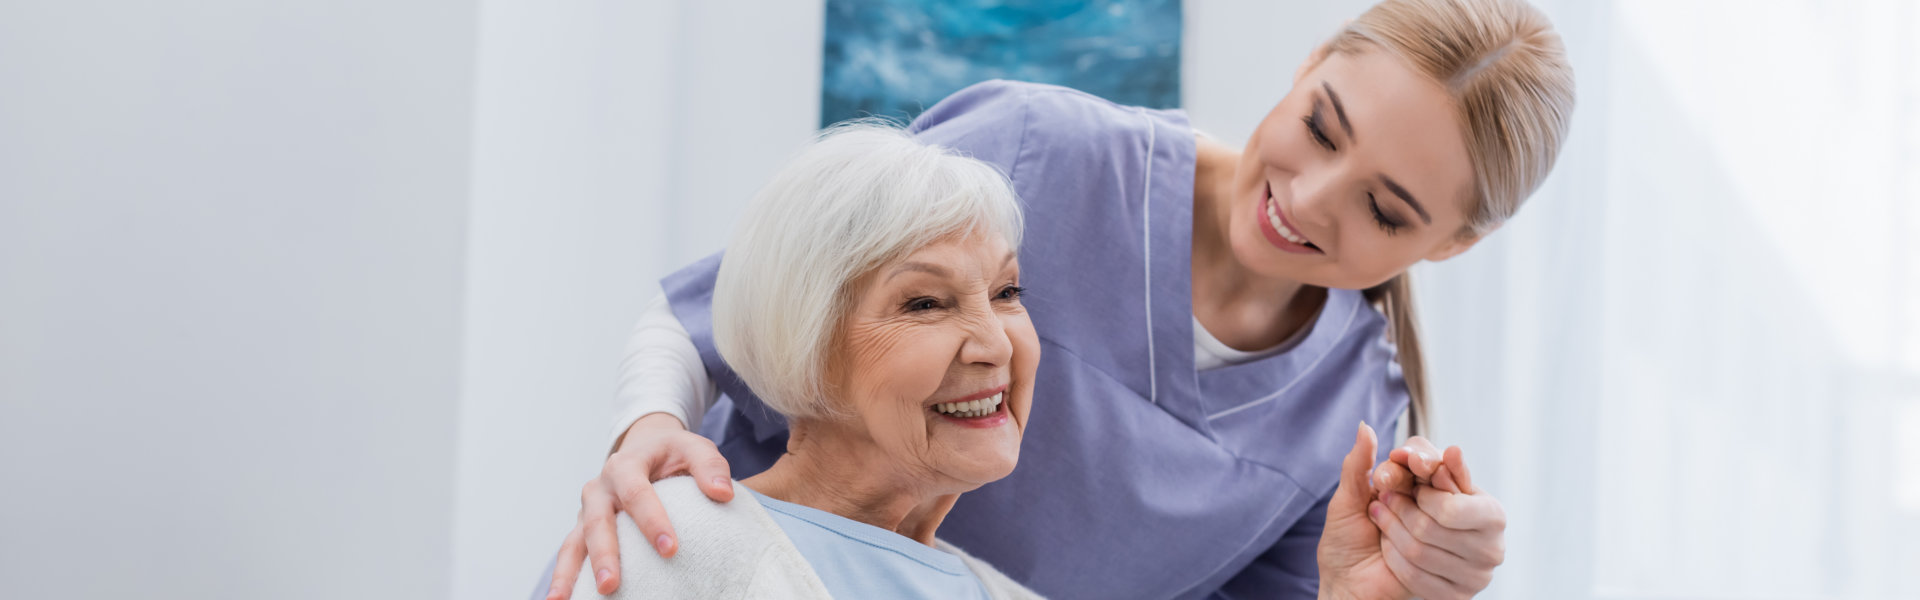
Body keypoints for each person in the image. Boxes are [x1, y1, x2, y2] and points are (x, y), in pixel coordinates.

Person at [554, 0, 1572, 597]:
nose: (1305, 198)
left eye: (1385, 211)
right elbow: (717, 310)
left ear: (1454, 243)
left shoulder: (1351, 417)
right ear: (1308, 67)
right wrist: (645, 441)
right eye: (1322, 124)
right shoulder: (1043, 152)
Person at [560, 123, 1044, 599]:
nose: (997, 346)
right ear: (806, 346)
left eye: (1006, 292)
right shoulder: (682, 541)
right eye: (926, 304)